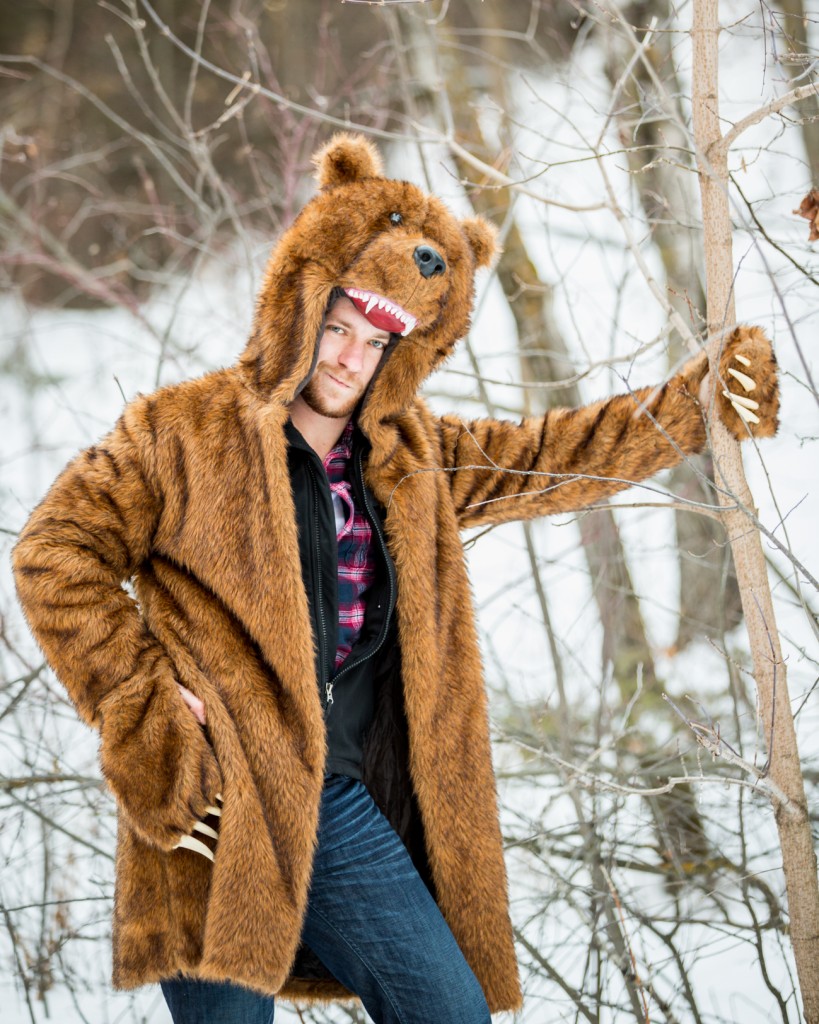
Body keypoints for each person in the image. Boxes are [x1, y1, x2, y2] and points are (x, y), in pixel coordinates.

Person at [12, 134, 779, 1024]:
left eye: (375, 341)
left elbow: (554, 456)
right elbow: (54, 556)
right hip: (217, 799)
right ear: (301, 306)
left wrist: (698, 402)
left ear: (402, 353)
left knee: (446, 1012)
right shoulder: (179, 433)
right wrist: (145, 712)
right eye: (337, 326)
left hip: (339, 800)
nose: (346, 357)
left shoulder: (415, 456)